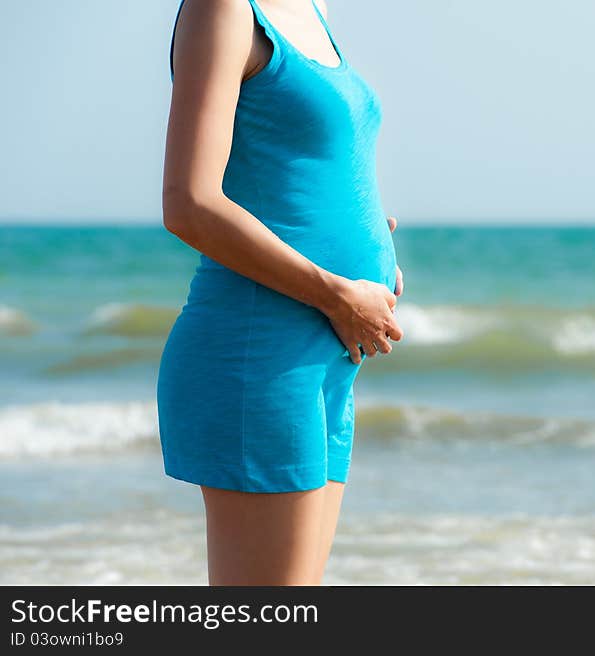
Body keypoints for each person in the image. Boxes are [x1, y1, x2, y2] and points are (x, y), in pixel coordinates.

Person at [157, 0, 404, 585]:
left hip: (325, 355)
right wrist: (336, 291)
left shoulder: (311, 9)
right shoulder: (224, 9)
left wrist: (366, 236)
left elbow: (293, 169)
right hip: (259, 351)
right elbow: (189, 202)